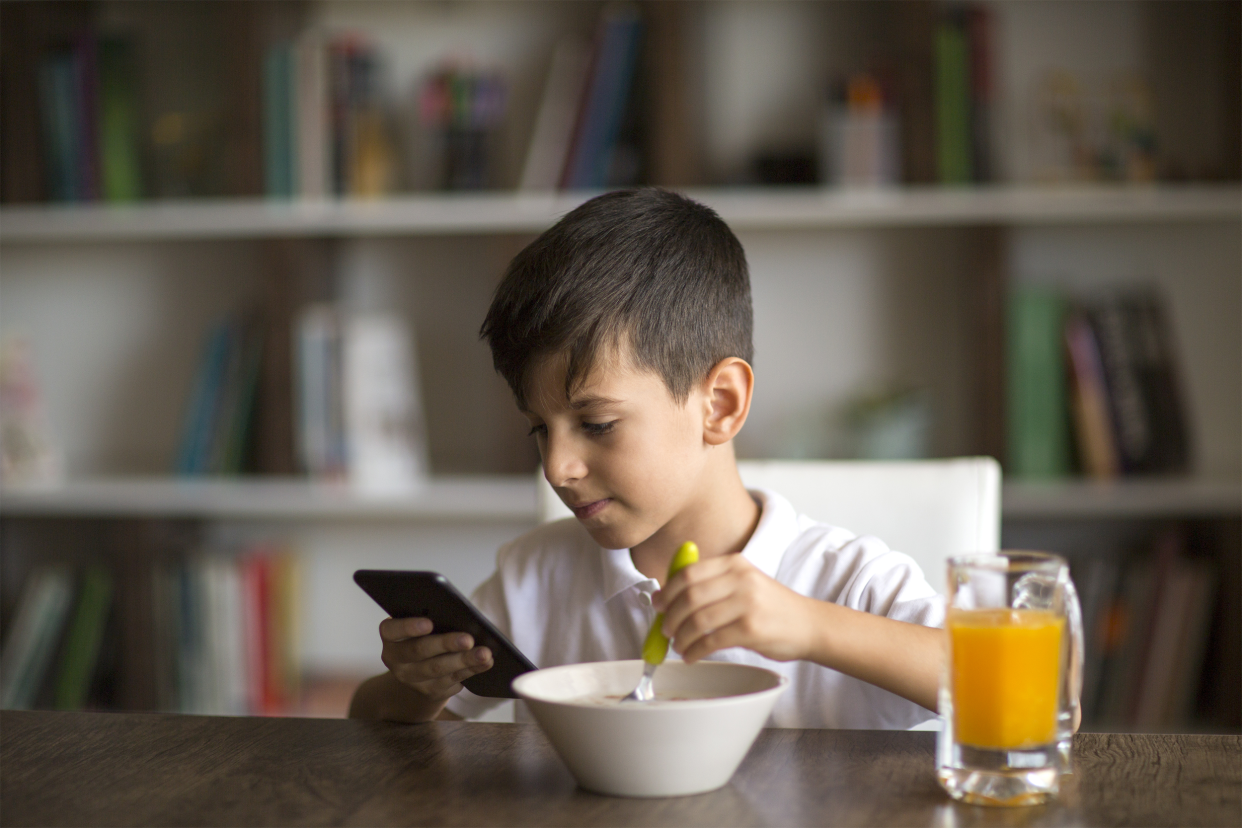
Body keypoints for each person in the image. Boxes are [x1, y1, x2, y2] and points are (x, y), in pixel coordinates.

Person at [349, 189, 945, 728]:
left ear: (720, 404)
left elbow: (1027, 690)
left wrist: (814, 628)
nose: (557, 468)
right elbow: (371, 721)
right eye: (539, 430)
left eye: (597, 424)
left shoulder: (844, 582)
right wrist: (417, 691)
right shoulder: (535, 579)